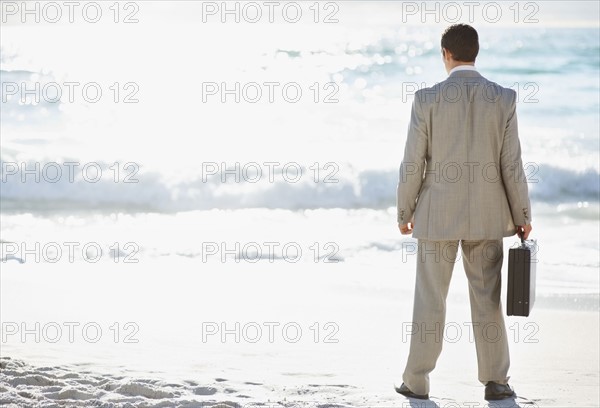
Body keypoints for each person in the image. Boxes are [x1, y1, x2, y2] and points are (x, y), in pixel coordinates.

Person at [395, 24, 533, 401]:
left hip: (436, 215)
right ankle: (496, 381)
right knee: (487, 299)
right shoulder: (503, 98)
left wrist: (404, 210)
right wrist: (522, 214)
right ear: (476, 52)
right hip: (488, 217)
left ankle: (417, 381)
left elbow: (412, 164)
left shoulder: (426, 100)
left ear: (446, 54)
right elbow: (512, 164)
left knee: (429, 300)